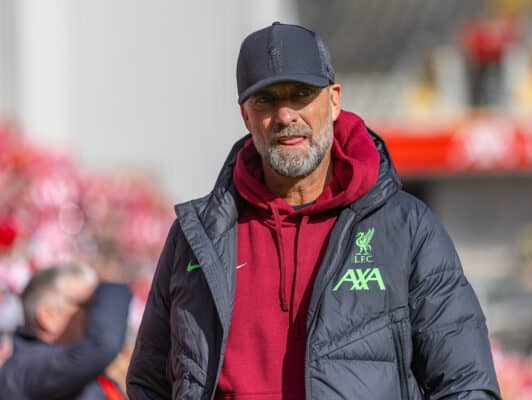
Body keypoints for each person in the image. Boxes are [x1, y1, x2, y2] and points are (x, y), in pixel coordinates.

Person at [127, 22, 501, 399]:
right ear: (246, 116)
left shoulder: (405, 228)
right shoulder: (197, 238)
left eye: (301, 94)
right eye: (266, 100)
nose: (286, 115)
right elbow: (149, 383)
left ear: (334, 100)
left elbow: (466, 383)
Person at [0, 264, 132, 399]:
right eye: (89, 304)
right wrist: (114, 279)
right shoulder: (25, 369)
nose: (97, 314)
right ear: (48, 316)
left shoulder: (77, 371)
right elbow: (102, 345)